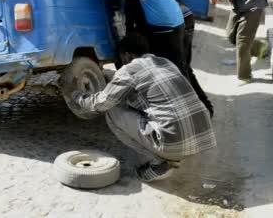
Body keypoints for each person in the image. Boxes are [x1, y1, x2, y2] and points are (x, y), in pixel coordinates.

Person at [63, 33, 216, 182]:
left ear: (127, 55)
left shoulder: (129, 70)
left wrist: (76, 94)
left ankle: (158, 161)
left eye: (121, 57)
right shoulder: (165, 62)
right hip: (202, 137)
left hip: (173, 142)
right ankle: (172, 153)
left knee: (111, 110)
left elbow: (101, 104)